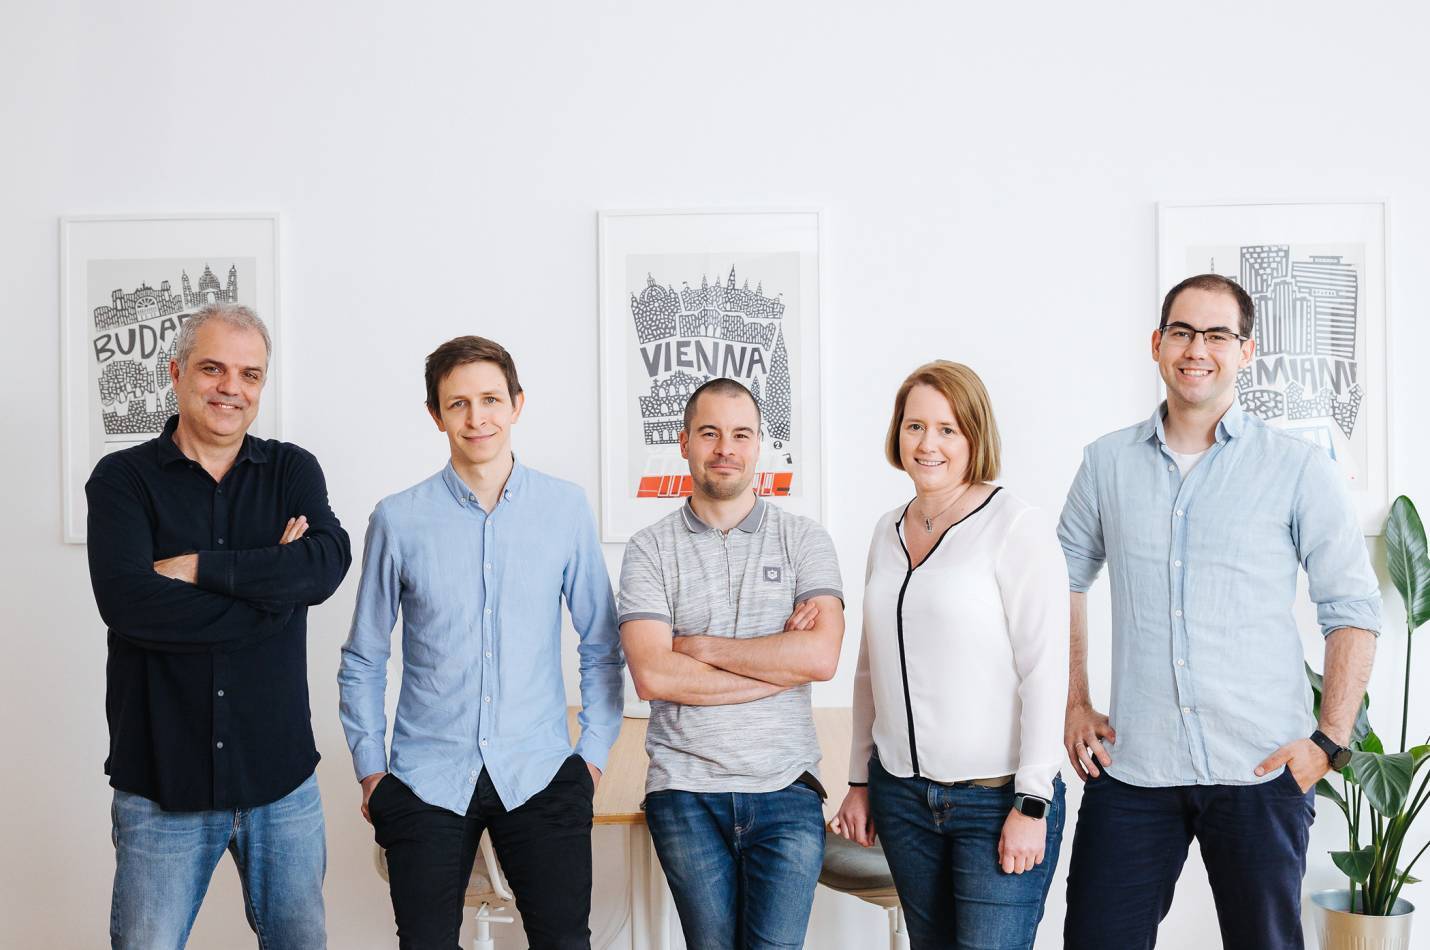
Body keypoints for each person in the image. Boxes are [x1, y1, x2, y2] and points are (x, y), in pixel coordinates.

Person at [1058, 274, 1381, 949]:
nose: (1196, 349)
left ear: (1246, 350)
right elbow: (1060, 583)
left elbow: (1351, 606)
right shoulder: (1106, 464)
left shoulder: (1297, 469)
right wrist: (1075, 702)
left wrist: (1329, 742)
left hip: (1260, 769)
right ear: (1156, 343)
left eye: (1216, 335)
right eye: (1182, 332)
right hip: (1136, 766)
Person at [338, 335, 624, 950]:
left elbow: (601, 641)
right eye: (458, 403)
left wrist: (592, 758)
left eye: (491, 399)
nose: (477, 418)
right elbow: (364, 655)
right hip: (426, 778)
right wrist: (371, 773)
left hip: (541, 771)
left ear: (517, 404)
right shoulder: (397, 519)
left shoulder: (565, 508)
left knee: (565, 943)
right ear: (435, 414)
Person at [86, 303, 351, 949]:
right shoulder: (122, 480)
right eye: (213, 368)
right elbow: (130, 604)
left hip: (281, 782)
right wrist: (272, 594)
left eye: (249, 374)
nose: (232, 387)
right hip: (162, 785)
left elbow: (325, 565)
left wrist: (198, 568)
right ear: (176, 372)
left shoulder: (292, 470)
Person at [830, 360, 1069, 949]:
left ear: (974, 436)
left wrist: (1032, 803)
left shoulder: (1015, 526)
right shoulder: (888, 529)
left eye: (947, 429)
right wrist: (860, 780)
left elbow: (1044, 671)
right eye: (914, 426)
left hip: (996, 801)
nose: (927, 444)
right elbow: (870, 668)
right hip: (902, 799)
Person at [617, 377, 844, 950]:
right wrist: (776, 665)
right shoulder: (648, 548)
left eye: (741, 434)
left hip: (787, 787)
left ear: (759, 444)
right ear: (684, 442)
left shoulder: (805, 540)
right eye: (710, 433)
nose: (726, 448)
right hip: (684, 790)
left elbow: (820, 657)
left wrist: (699, 647)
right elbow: (653, 675)